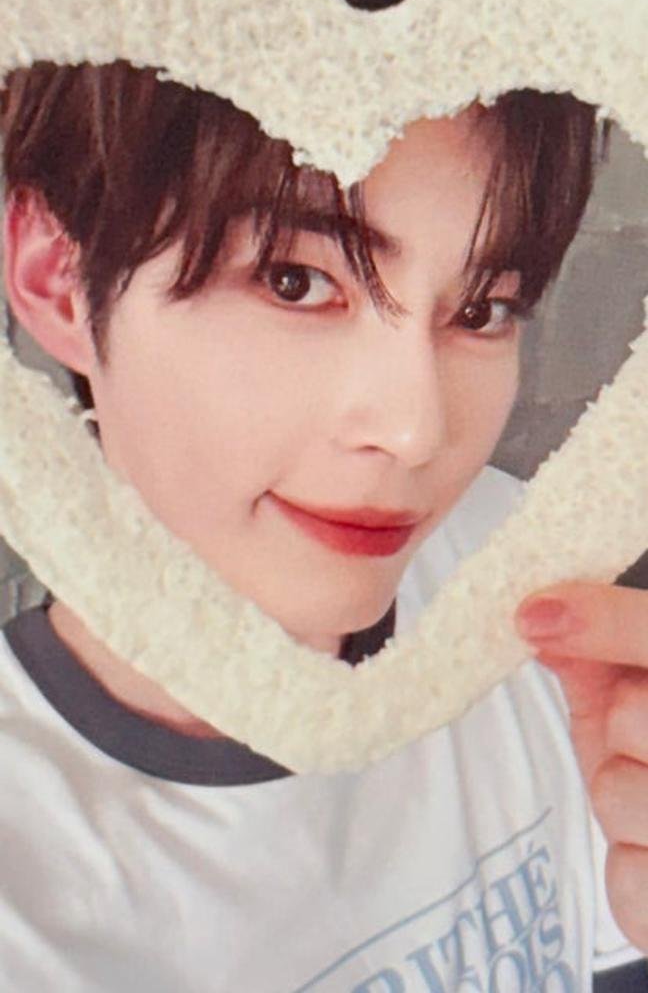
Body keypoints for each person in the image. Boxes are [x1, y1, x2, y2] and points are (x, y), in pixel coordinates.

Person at [0, 55, 647, 993]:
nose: (417, 432)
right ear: (60, 280)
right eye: (295, 282)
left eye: (482, 309)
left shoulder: (522, 598)